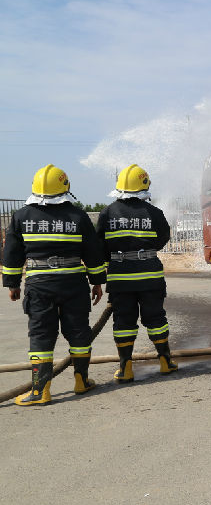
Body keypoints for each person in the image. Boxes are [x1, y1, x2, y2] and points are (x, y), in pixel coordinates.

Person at [1, 165, 107, 405]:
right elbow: (93, 253)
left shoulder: (21, 216)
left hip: (39, 285)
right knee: (78, 331)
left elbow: (12, 254)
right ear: (65, 186)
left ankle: (41, 391)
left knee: (41, 334)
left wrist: (12, 284)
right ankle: (81, 381)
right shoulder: (78, 216)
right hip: (73, 284)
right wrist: (97, 282)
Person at [97, 164, 177, 383]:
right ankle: (165, 362)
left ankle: (126, 369)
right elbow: (162, 239)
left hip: (120, 278)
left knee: (123, 322)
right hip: (150, 277)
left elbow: (100, 245)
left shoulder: (107, 213)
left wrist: (113, 260)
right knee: (156, 318)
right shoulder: (154, 213)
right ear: (144, 185)